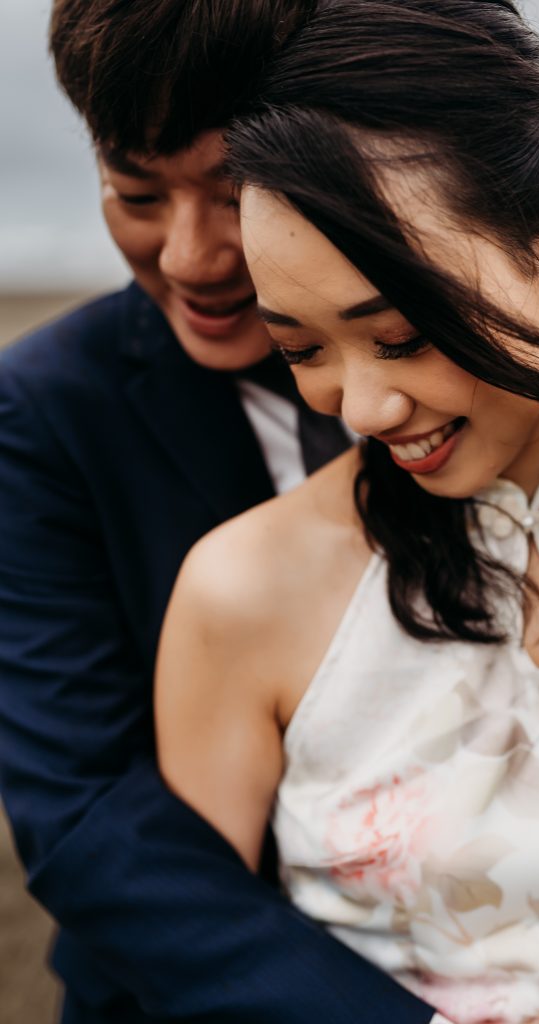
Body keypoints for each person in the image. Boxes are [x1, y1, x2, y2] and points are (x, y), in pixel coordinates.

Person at [155, 2, 539, 1022]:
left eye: (404, 333)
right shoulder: (243, 593)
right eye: (302, 348)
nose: (363, 410)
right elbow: (192, 965)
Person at [0, 2, 448, 1022]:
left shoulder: (480, 372)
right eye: (135, 191)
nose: (193, 257)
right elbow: (86, 816)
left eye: (234, 190)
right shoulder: (43, 413)